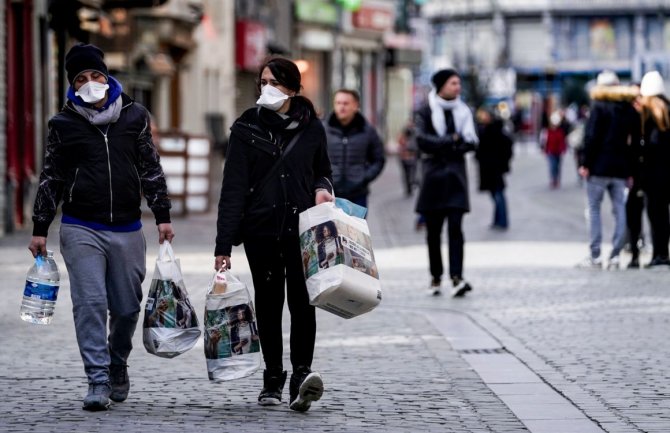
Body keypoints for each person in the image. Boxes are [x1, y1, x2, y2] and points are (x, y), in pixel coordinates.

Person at [27, 43, 174, 411]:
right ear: (72, 86)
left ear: (107, 77)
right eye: (81, 79)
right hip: (81, 227)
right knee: (89, 303)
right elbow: (51, 177)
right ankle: (97, 379)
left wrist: (163, 215)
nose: (90, 83)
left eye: (95, 75)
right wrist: (40, 226)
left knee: (126, 308)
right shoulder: (62, 125)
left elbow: (150, 167)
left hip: (126, 227)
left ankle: (117, 362)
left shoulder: (134, 116)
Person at [214, 56, 332, 412]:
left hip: (302, 229)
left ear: (293, 89)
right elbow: (232, 188)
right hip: (261, 230)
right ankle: (272, 377)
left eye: (276, 82)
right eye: (263, 81)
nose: (267, 88)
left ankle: (301, 375)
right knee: (268, 304)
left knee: (302, 303)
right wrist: (223, 245)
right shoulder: (246, 127)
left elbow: (322, 170)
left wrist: (322, 188)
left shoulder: (311, 127)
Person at [414, 68, 478, 297]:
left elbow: (471, 143)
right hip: (432, 180)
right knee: (433, 232)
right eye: (453, 83)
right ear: (441, 86)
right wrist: (452, 140)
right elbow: (422, 140)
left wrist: (443, 145)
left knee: (456, 230)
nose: (457, 87)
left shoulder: (463, 111)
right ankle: (435, 277)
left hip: (456, 179)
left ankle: (457, 277)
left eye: (459, 83)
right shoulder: (425, 111)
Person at [577, 70, 638, 270]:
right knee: (619, 209)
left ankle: (595, 256)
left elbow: (591, 137)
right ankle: (615, 255)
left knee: (594, 210)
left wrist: (585, 163)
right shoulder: (628, 109)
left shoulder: (599, 107)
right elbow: (633, 144)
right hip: (620, 169)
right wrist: (630, 170)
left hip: (598, 168)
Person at [324, 89, 385, 209]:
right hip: (330, 195)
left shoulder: (367, 131)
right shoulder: (323, 130)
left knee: (355, 228)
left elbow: (379, 159)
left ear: (356, 106)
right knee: (330, 228)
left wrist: (364, 178)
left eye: (346, 103)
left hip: (358, 196)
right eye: (338, 103)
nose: (341, 107)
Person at [637, 71, 670, 268]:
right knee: (664, 215)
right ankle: (664, 254)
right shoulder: (668, 108)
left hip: (652, 174)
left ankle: (658, 254)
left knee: (655, 215)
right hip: (667, 173)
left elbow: (647, 146)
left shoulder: (646, 112)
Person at [475, 107, 514, 230]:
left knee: (498, 194)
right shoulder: (484, 129)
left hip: (495, 168)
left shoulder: (496, 131)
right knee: (495, 194)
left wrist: (503, 163)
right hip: (489, 168)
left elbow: (507, 148)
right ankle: (498, 219)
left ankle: (502, 220)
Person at [542, 111, 568, 189]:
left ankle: (557, 179)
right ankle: (553, 179)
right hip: (550, 151)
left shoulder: (560, 131)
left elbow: (562, 141)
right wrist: (545, 150)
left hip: (558, 152)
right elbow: (544, 141)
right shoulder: (547, 131)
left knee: (557, 166)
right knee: (552, 166)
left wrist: (563, 149)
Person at [397, 120, 419, 197]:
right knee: (408, 174)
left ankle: (410, 186)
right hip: (407, 157)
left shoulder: (413, 136)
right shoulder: (407, 137)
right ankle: (409, 187)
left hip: (409, 157)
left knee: (409, 174)